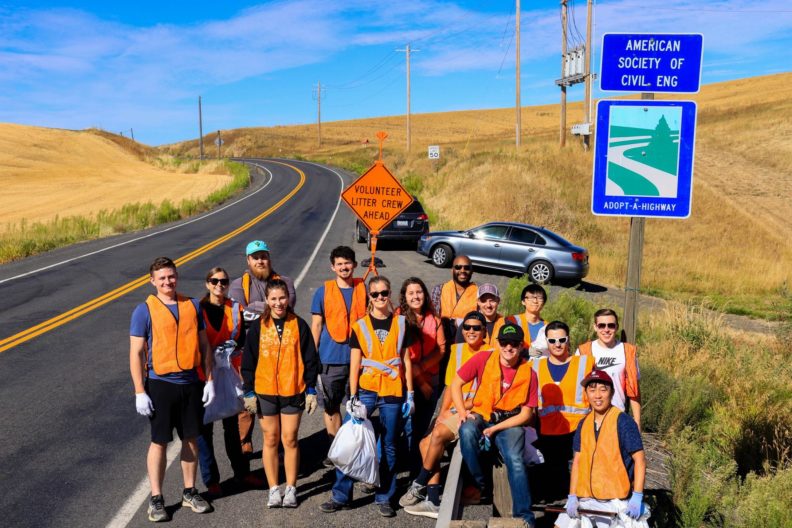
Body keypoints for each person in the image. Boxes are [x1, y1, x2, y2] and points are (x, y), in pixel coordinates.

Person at [320, 276, 415, 518]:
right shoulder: (360, 326)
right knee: (353, 442)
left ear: (390, 293)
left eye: (384, 293)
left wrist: (410, 393)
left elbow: (406, 360)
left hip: (393, 390)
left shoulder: (402, 323)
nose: (380, 298)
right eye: (375, 294)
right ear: (369, 297)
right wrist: (352, 396)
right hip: (368, 389)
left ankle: (384, 496)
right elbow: (354, 363)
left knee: (390, 445)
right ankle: (340, 495)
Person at [129, 257, 214, 522]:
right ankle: (156, 499)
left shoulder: (191, 305)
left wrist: (209, 379)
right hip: (160, 384)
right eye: (162, 278)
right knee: (159, 442)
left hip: (190, 382)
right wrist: (139, 391)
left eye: (171, 276)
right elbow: (137, 352)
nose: (168, 282)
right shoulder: (144, 310)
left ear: (177, 276)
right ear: (152, 281)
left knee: (191, 438)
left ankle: (190, 492)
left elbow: (204, 346)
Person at [400, 310, 490, 519]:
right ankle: (432, 499)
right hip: (453, 409)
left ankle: (420, 483)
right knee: (425, 443)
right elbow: (450, 386)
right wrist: (442, 412)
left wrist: (458, 409)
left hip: (472, 409)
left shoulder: (490, 354)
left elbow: (485, 394)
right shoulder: (457, 351)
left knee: (439, 434)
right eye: (466, 327)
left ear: (484, 331)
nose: (471, 331)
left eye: (476, 328)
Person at [241, 279, 319, 508]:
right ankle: (274, 488)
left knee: (290, 439)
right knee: (271, 439)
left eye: (282, 298)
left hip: (293, 390)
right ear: (267, 300)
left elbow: (310, 358)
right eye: (273, 299)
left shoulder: (299, 325)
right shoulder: (258, 327)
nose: (278, 303)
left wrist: (311, 388)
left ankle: (292, 488)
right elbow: (249, 360)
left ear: (288, 298)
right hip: (265, 391)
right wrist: (248, 390)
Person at [451, 323, 539, 525]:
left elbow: (526, 414)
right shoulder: (483, 358)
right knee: (466, 431)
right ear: (498, 343)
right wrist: (463, 412)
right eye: (505, 343)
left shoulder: (529, 373)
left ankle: (525, 517)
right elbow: (456, 383)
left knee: (515, 460)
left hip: (510, 422)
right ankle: (480, 484)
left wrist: (496, 428)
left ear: (521, 346)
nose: (509, 348)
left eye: (514, 344)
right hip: (482, 414)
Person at [197, 267, 264, 496]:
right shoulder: (198, 309)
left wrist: (232, 349)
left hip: (228, 372)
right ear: (208, 284)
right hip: (204, 375)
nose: (219, 285)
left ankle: (242, 472)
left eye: (223, 281)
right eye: (214, 281)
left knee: (232, 427)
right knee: (204, 429)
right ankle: (211, 480)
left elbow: (243, 338)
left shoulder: (236, 307)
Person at [554, 370, 648, 528]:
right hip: (585, 499)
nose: (597, 395)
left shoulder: (623, 422)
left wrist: (637, 495)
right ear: (586, 394)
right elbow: (577, 462)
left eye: (603, 390)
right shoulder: (583, 424)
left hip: (614, 501)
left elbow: (640, 460)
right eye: (592, 390)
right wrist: (572, 496)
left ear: (611, 393)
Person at [229, 240, 296, 454]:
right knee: (246, 402)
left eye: (263, 256)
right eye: (255, 257)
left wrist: (254, 309)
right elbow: (239, 314)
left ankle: (278, 447)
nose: (260, 261)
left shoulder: (285, 281)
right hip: (248, 353)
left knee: (276, 401)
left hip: (280, 354)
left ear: (269, 258)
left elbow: (286, 311)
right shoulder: (238, 285)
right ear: (248, 260)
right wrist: (267, 307)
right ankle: (244, 444)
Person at [310, 246, 367, 468]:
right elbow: (316, 325)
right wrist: (312, 357)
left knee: (358, 407)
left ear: (354, 264)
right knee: (331, 408)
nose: (344, 267)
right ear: (332, 267)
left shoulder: (364, 287)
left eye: (348, 262)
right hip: (329, 359)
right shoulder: (323, 292)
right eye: (339, 264)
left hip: (359, 359)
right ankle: (335, 450)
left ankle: (356, 451)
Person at [530, 321, 595, 503]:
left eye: (561, 339)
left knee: (578, 484)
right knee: (551, 488)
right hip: (545, 434)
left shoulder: (586, 363)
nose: (557, 344)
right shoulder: (534, 367)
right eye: (552, 340)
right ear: (547, 342)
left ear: (568, 340)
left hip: (578, 431)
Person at [399, 277, 447, 478]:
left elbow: (441, 349)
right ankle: (386, 469)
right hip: (405, 382)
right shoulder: (399, 319)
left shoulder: (434, 320)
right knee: (402, 428)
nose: (415, 296)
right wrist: (419, 379)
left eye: (419, 292)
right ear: (404, 297)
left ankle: (415, 473)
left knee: (420, 429)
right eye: (410, 293)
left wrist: (422, 368)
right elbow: (400, 353)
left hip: (431, 381)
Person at [575, 309, 642, 431]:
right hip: (590, 417)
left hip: (618, 416)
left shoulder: (627, 351)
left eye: (610, 325)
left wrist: (637, 421)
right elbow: (576, 388)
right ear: (595, 327)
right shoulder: (583, 351)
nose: (606, 330)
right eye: (601, 325)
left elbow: (635, 390)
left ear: (616, 327)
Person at [431, 255, 478, 351]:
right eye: (458, 267)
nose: (462, 271)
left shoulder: (479, 293)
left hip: (466, 345)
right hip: (441, 343)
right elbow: (432, 317)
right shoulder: (439, 289)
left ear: (472, 271)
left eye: (467, 268)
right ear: (452, 270)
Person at [506, 284, 549, 357]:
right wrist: (525, 351)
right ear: (523, 301)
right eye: (531, 298)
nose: (535, 301)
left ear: (543, 303)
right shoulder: (512, 321)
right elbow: (504, 345)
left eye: (539, 298)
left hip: (540, 366)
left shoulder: (548, 327)